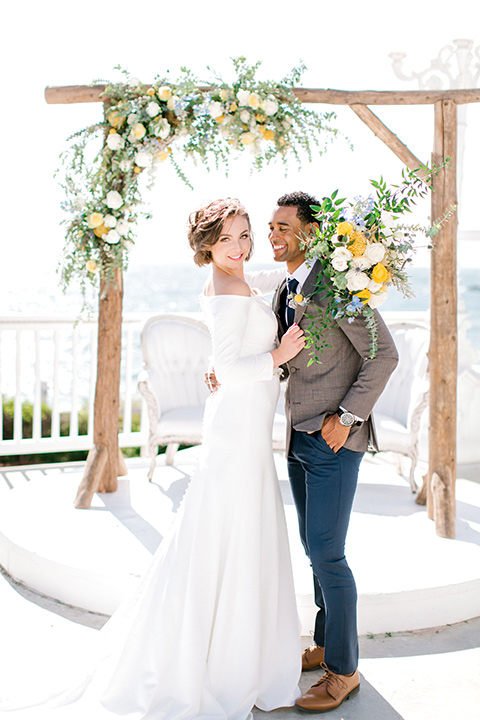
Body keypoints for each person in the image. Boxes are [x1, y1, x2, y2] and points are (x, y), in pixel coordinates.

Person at [0, 198, 305, 720]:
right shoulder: (225, 285)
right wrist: (278, 356)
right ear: (206, 246)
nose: (240, 246)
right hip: (236, 428)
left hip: (244, 423)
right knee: (227, 529)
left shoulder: (236, 279)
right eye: (227, 239)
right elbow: (233, 367)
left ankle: (239, 649)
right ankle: (219, 661)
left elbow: (225, 354)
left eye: (245, 234)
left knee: (238, 529)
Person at [269, 191, 399, 713]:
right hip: (297, 438)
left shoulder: (339, 285)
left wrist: (346, 419)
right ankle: (324, 644)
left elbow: (383, 355)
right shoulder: (287, 286)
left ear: (310, 233)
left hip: (333, 441)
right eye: (271, 226)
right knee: (312, 547)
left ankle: (344, 671)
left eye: (282, 227)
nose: (272, 235)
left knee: (328, 554)